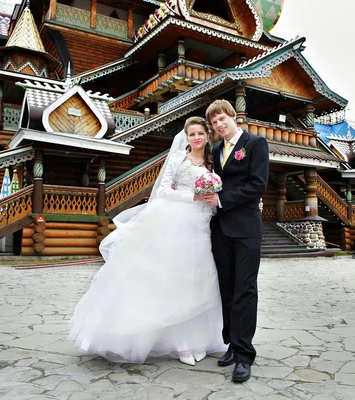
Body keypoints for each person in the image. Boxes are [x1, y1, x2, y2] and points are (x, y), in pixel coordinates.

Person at [68, 116, 227, 365]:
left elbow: (218, 192)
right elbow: (163, 190)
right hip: (175, 221)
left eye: (200, 133)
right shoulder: (177, 158)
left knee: (198, 280)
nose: (196, 138)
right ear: (186, 137)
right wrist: (191, 198)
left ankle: (197, 339)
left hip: (202, 224)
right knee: (171, 279)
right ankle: (179, 344)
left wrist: (210, 199)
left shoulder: (212, 161)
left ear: (207, 136)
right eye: (191, 134)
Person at [204, 100, 269, 383]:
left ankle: (244, 355)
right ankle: (230, 343)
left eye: (222, 118)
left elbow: (258, 185)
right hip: (220, 230)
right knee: (227, 289)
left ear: (233, 116)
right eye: (214, 122)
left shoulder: (255, 144)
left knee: (245, 289)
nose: (219, 125)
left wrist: (222, 199)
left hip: (245, 229)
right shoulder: (215, 150)